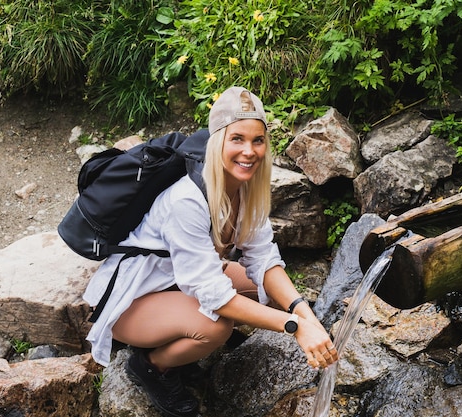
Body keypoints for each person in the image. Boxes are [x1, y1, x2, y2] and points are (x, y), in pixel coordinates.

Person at [82, 86, 339, 417]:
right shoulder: (187, 200)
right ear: (218, 140)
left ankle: (181, 344)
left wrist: (305, 313)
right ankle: (151, 366)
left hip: (175, 280)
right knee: (217, 326)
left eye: (257, 140)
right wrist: (294, 326)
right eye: (237, 139)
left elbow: (264, 260)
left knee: (258, 288)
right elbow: (214, 295)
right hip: (133, 299)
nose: (249, 151)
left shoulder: (245, 190)